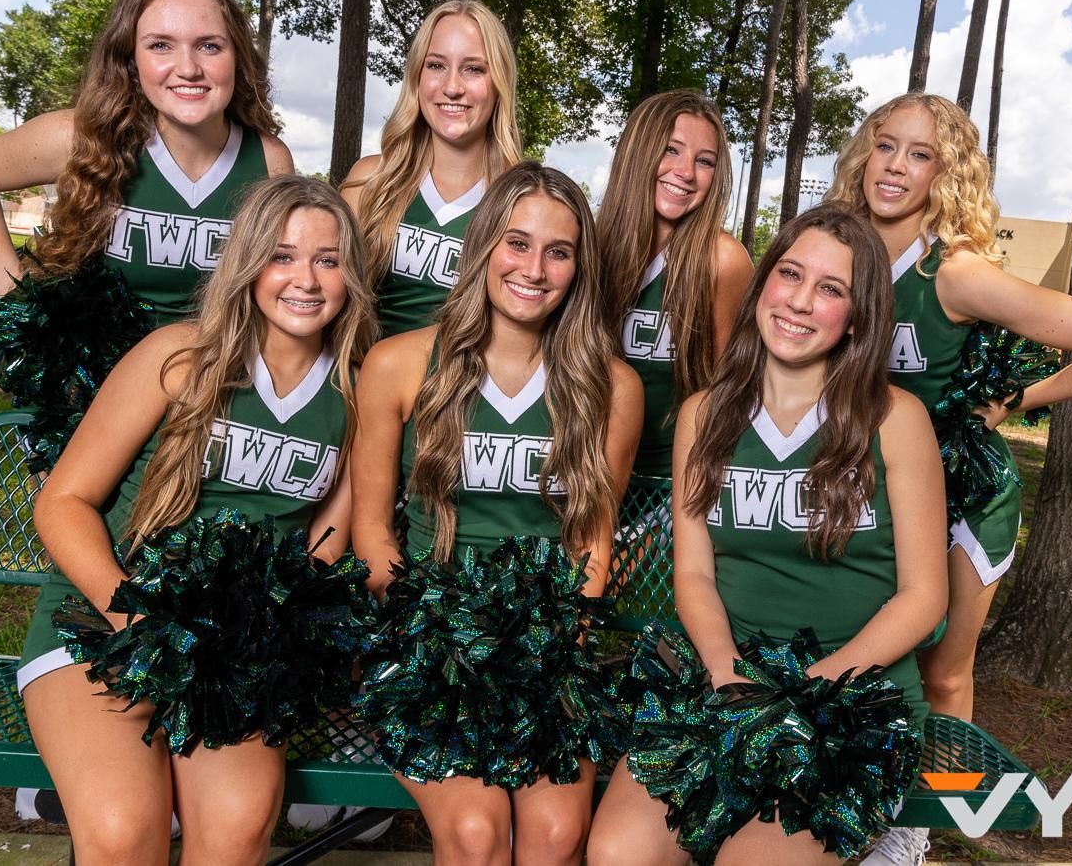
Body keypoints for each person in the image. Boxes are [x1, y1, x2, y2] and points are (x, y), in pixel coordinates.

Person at [824, 93, 1072, 866]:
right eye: (885, 144)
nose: (895, 166)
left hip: (961, 495)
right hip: (866, 489)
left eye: (920, 154)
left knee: (942, 671)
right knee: (866, 653)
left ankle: (919, 831)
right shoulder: (836, 250)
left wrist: (1015, 400)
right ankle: (854, 801)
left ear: (946, 174)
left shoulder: (957, 273)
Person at [22, 175, 374, 865]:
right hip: (103, 623)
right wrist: (138, 623)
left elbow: (323, 548)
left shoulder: (353, 390)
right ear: (248, 264)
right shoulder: (179, 356)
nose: (305, 279)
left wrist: (267, 644)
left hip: (232, 654)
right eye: (281, 256)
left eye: (328, 260)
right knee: (123, 833)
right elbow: (62, 503)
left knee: (238, 829)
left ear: (351, 276)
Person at [588, 204, 948, 866]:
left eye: (831, 288)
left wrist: (806, 689)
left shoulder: (895, 419)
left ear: (857, 316)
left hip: (847, 703)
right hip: (725, 684)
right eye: (790, 274)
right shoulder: (704, 415)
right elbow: (694, 573)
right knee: (616, 854)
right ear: (762, 285)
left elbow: (924, 596)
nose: (800, 301)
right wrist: (727, 674)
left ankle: (886, 843)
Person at [351, 161, 642, 865]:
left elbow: (592, 545)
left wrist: (552, 643)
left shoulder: (612, 387)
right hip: (429, 650)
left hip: (546, 650)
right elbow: (371, 530)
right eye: (517, 243)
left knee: (555, 836)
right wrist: (432, 636)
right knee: (478, 835)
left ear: (579, 268)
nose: (534, 269)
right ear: (484, 245)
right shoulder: (397, 363)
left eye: (558, 251)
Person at [0, 0, 292, 468]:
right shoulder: (80, 136)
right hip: (92, 396)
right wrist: (17, 303)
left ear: (237, 57)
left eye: (209, 46)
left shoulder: (269, 161)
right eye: (160, 45)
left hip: (208, 396)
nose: (188, 67)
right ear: (130, 58)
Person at [597, 89, 753, 481]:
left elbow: (734, 392)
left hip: (670, 485)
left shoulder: (722, 260)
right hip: (586, 473)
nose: (686, 172)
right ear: (638, 152)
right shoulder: (590, 248)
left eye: (705, 161)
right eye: (671, 150)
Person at [341, 0, 521, 337]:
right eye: (436, 65)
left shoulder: (521, 200)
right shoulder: (370, 181)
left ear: (499, 82)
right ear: (416, 77)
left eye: (473, 69)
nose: (452, 88)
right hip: (369, 370)